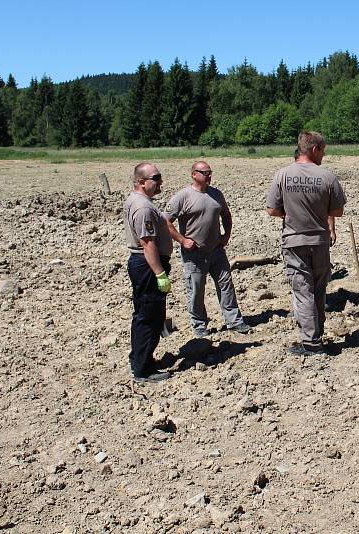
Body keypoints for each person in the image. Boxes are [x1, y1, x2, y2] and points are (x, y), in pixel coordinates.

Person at [267, 131, 346, 355]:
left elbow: (272, 209)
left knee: (303, 292)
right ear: (314, 149)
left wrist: (290, 213)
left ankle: (311, 343)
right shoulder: (327, 177)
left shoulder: (282, 175)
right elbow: (338, 210)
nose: (324, 155)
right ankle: (316, 334)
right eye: (323, 150)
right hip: (320, 241)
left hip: (294, 241)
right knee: (319, 291)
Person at [166, 161, 250, 337]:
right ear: (194, 174)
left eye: (210, 173)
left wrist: (226, 234)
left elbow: (226, 215)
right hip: (194, 253)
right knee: (196, 289)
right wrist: (182, 240)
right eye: (205, 173)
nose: (209, 176)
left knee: (226, 284)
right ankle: (199, 325)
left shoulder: (216, 194)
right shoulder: (183, 197)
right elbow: (166, 221)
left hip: (216, 250)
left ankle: (234, 321)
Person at [124, 163, 174, 382]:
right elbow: (148, 244)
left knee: (148, 314)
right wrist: (159, 273)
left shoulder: (139, 201)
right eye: (156, 178)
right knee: (149, 316)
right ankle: (143, 369)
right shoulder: (143, 208)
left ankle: (141, 359)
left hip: (144, 265)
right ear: (141, 182)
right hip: (147, 266)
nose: (160, 181)